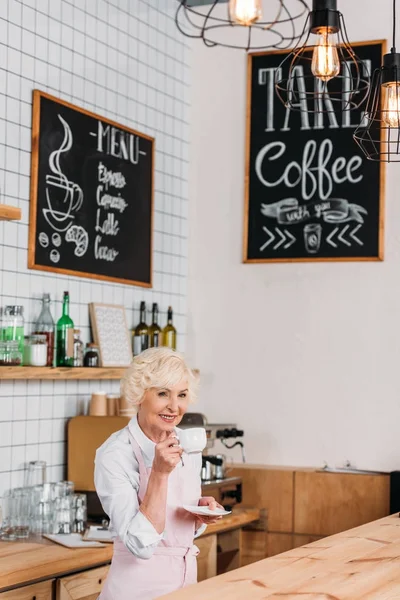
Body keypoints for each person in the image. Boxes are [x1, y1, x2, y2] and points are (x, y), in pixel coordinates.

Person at [95, 347, 223, 600]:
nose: (174, 407)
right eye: (163, 393)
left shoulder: (187, 443)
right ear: (139, 395)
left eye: (182, 395)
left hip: (185, 586)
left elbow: (177, 531)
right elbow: (139, 544)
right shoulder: (114, 454)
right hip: (136, 592)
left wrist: (198, 513)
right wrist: (159, 473)